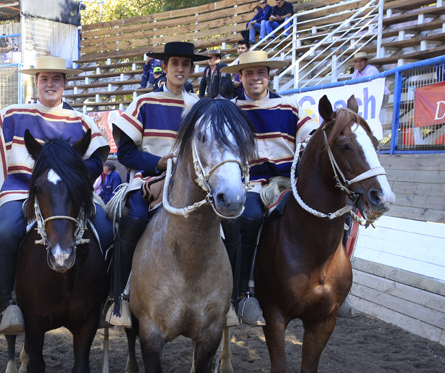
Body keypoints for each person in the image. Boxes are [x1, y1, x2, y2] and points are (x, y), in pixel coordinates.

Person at [0, 56, 113, 335]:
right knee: (5, 234)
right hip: (20, 190)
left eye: (56, 79)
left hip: (71, 193)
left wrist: (73, 176)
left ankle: (103, 300)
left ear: (65, 83)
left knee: (107, 230)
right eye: (44, 79)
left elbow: (97, 159)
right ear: (35, 82)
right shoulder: (13, 114)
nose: (50, 84)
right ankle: (10, 301)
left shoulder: (80, 120)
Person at [107, 42, 210, 327]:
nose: (180, 68)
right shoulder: (144, 102)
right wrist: (158, 164)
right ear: (163, 67)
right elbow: (125, 153)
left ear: (191, 69)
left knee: (225, 224)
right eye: (174, 62)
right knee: (134, 219)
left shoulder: (200, 108)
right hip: (147, 181)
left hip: (194, 186)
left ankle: (225, 299)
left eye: (185, 64)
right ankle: (120, 297)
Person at [221, 51, 316, 326]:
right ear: (240, 77)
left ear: (268, 75)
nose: (255, 78)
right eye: (249, 73)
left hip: (287, 182)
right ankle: (242, 293)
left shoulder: (290, 105)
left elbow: (309, 135)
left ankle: (331, 285)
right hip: (249, 182)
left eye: (260, 72)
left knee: (325, 212)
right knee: (248, 218)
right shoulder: (231, 109)